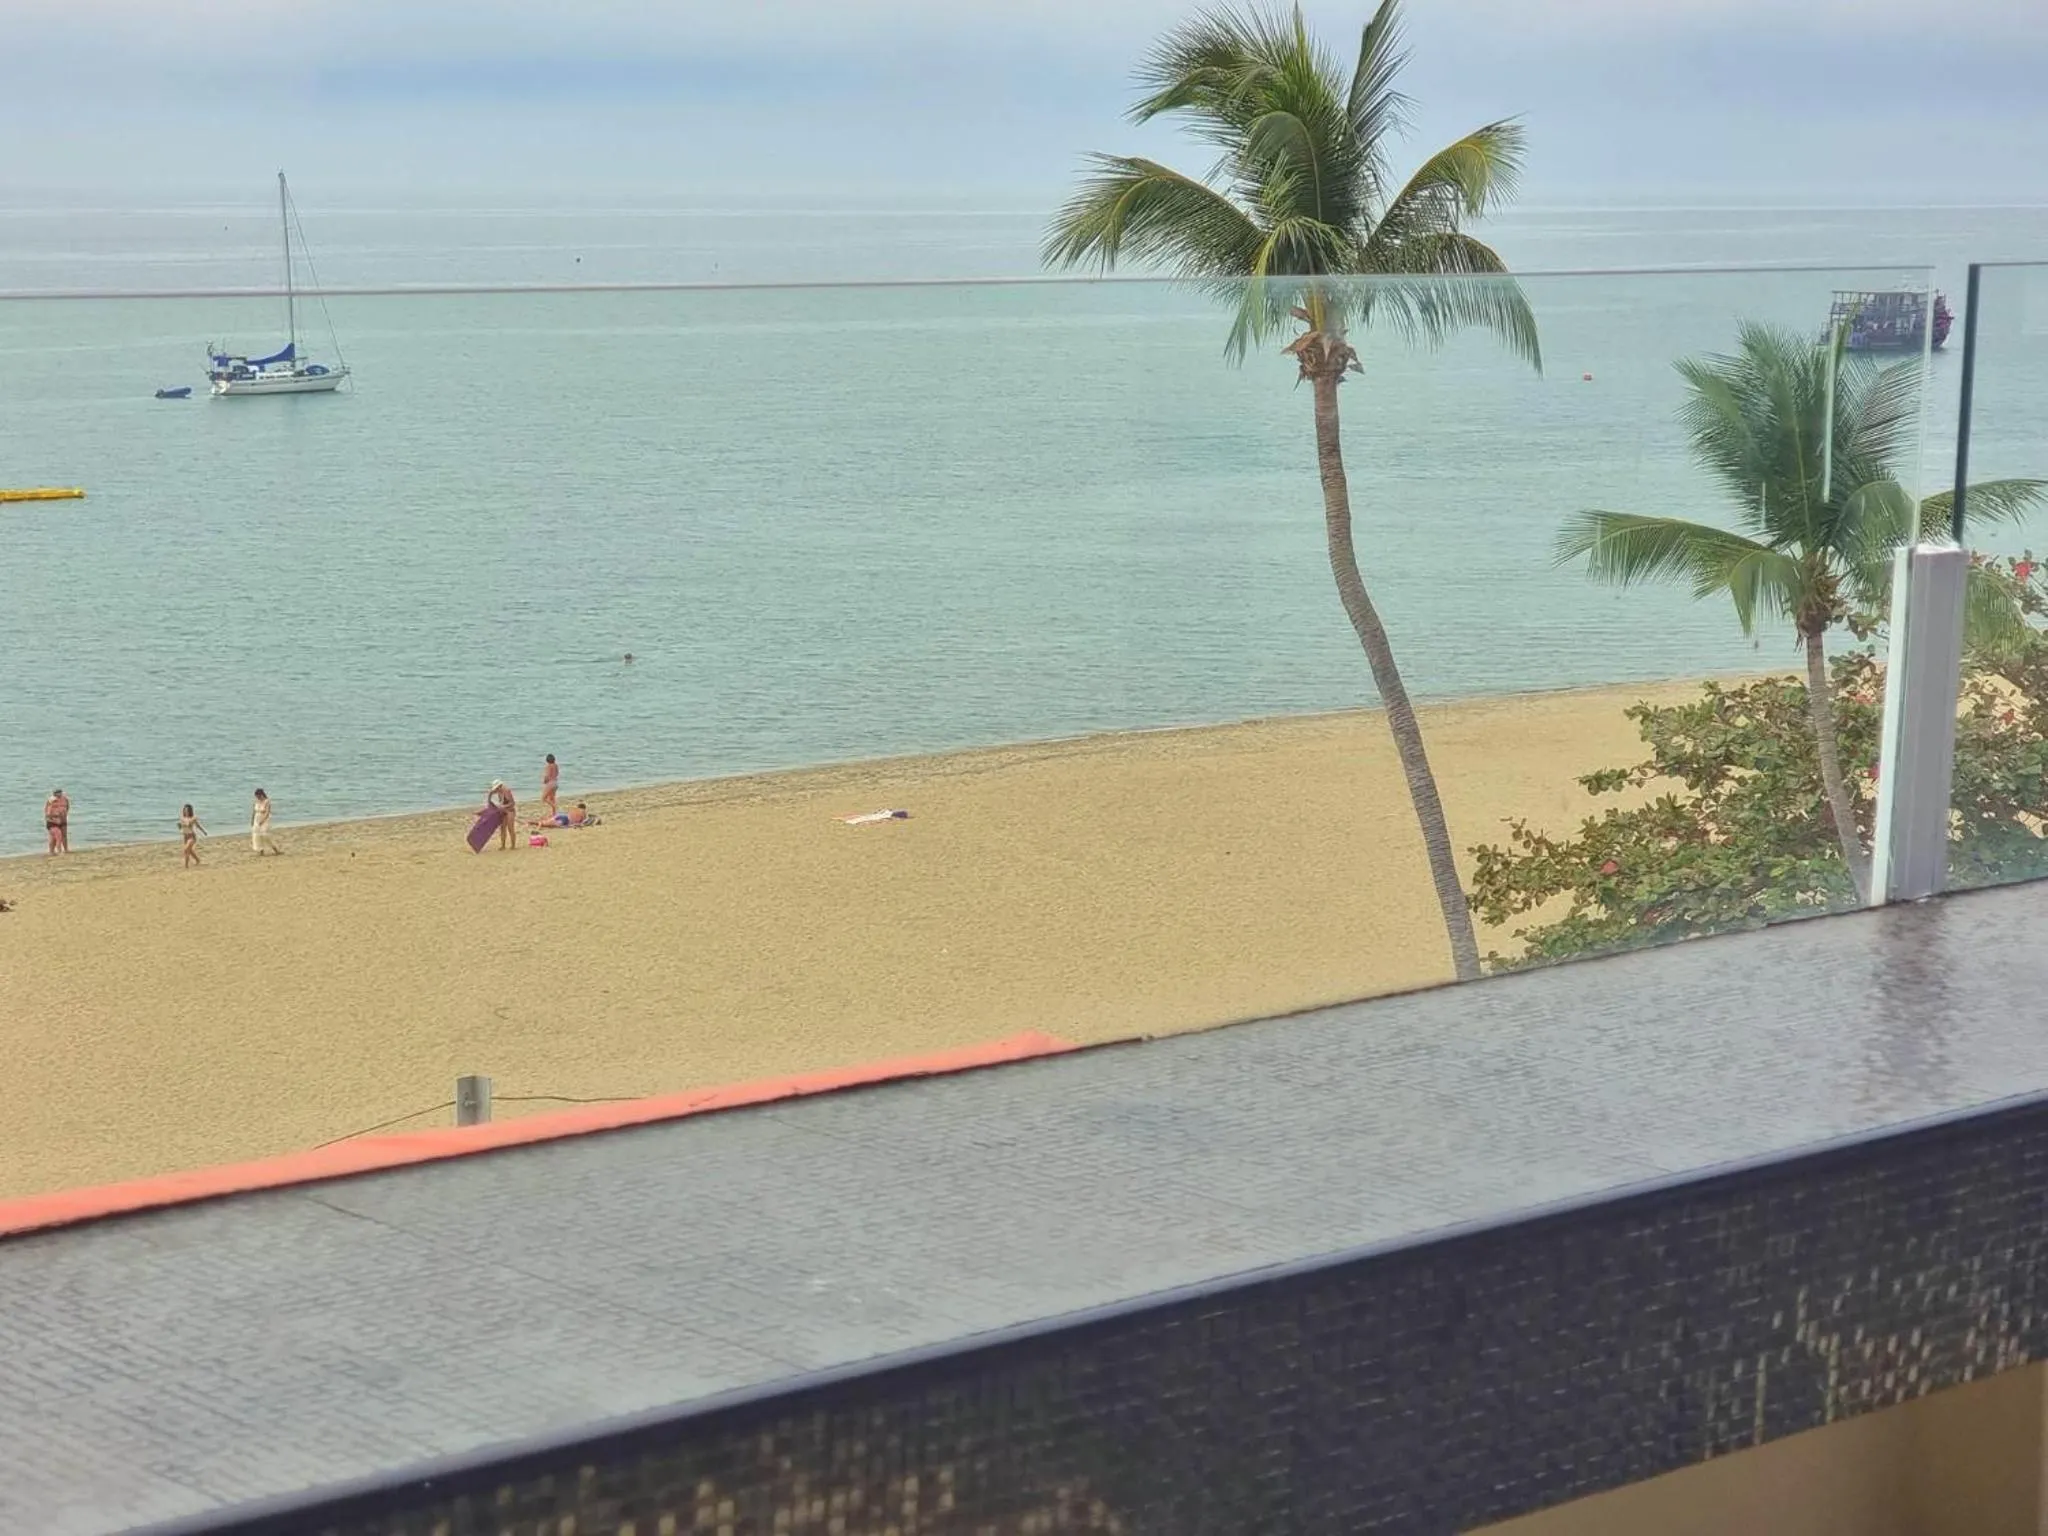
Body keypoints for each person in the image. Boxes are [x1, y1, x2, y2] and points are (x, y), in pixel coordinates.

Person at [488, 779, 517, 850]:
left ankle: (513, 846)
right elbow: (489, 802)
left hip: (510, 811)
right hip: (503, 811)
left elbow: (512, 803)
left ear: (500, 786)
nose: (496, 790)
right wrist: (489, 795)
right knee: (502, 829)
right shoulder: (499, 791)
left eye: (496, 788)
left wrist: (503, 806)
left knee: (510, 828)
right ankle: (503, 846)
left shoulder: (507, 791)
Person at [251, 788, 278, 856]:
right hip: (256, 819)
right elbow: (254, 812)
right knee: (257, 836)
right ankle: (261, 851)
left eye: (258, 796)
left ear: (261, 795)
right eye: (256, 796)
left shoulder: (267, 801)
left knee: (265, 835)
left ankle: (275, 849)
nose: (257, 797)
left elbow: (267, 812)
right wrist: (252, 820)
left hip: (264, 819)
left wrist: (262, 820)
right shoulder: (256, 802)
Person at [179, 804, 207, 868]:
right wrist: (180, 828)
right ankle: (197, 860)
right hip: (185, 836)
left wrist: (204, 831)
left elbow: (198, 825)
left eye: (188, 810)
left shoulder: (193, 818)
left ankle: (186, 866)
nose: (186, 812)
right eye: (185, 810)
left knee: (186, 849)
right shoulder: (182, 818)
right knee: (190, 850)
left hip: (191, 836)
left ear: (190, 811)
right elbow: (180, 826)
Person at [44, 788, 69, 855]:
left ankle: (65, 850)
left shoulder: (65, 799)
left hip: (62, 819)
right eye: (57, 793)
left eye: (60, 792)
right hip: (53, 821)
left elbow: (67, 807)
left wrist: (65, 814)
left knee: (63, 835)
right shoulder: (51, 800)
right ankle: (57, 851)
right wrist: (51, 818)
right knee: (57, 836)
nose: (59, 794)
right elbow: (47, 811)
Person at [541, 753, 559, 818]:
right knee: (552, 798)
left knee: (543, 798)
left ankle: (554, 806)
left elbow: (547, 776)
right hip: (555, 782)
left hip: (550, 783)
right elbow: (557, 774)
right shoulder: (556, 765)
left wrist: (544, 781)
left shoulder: (548, 766)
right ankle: (554, 814)